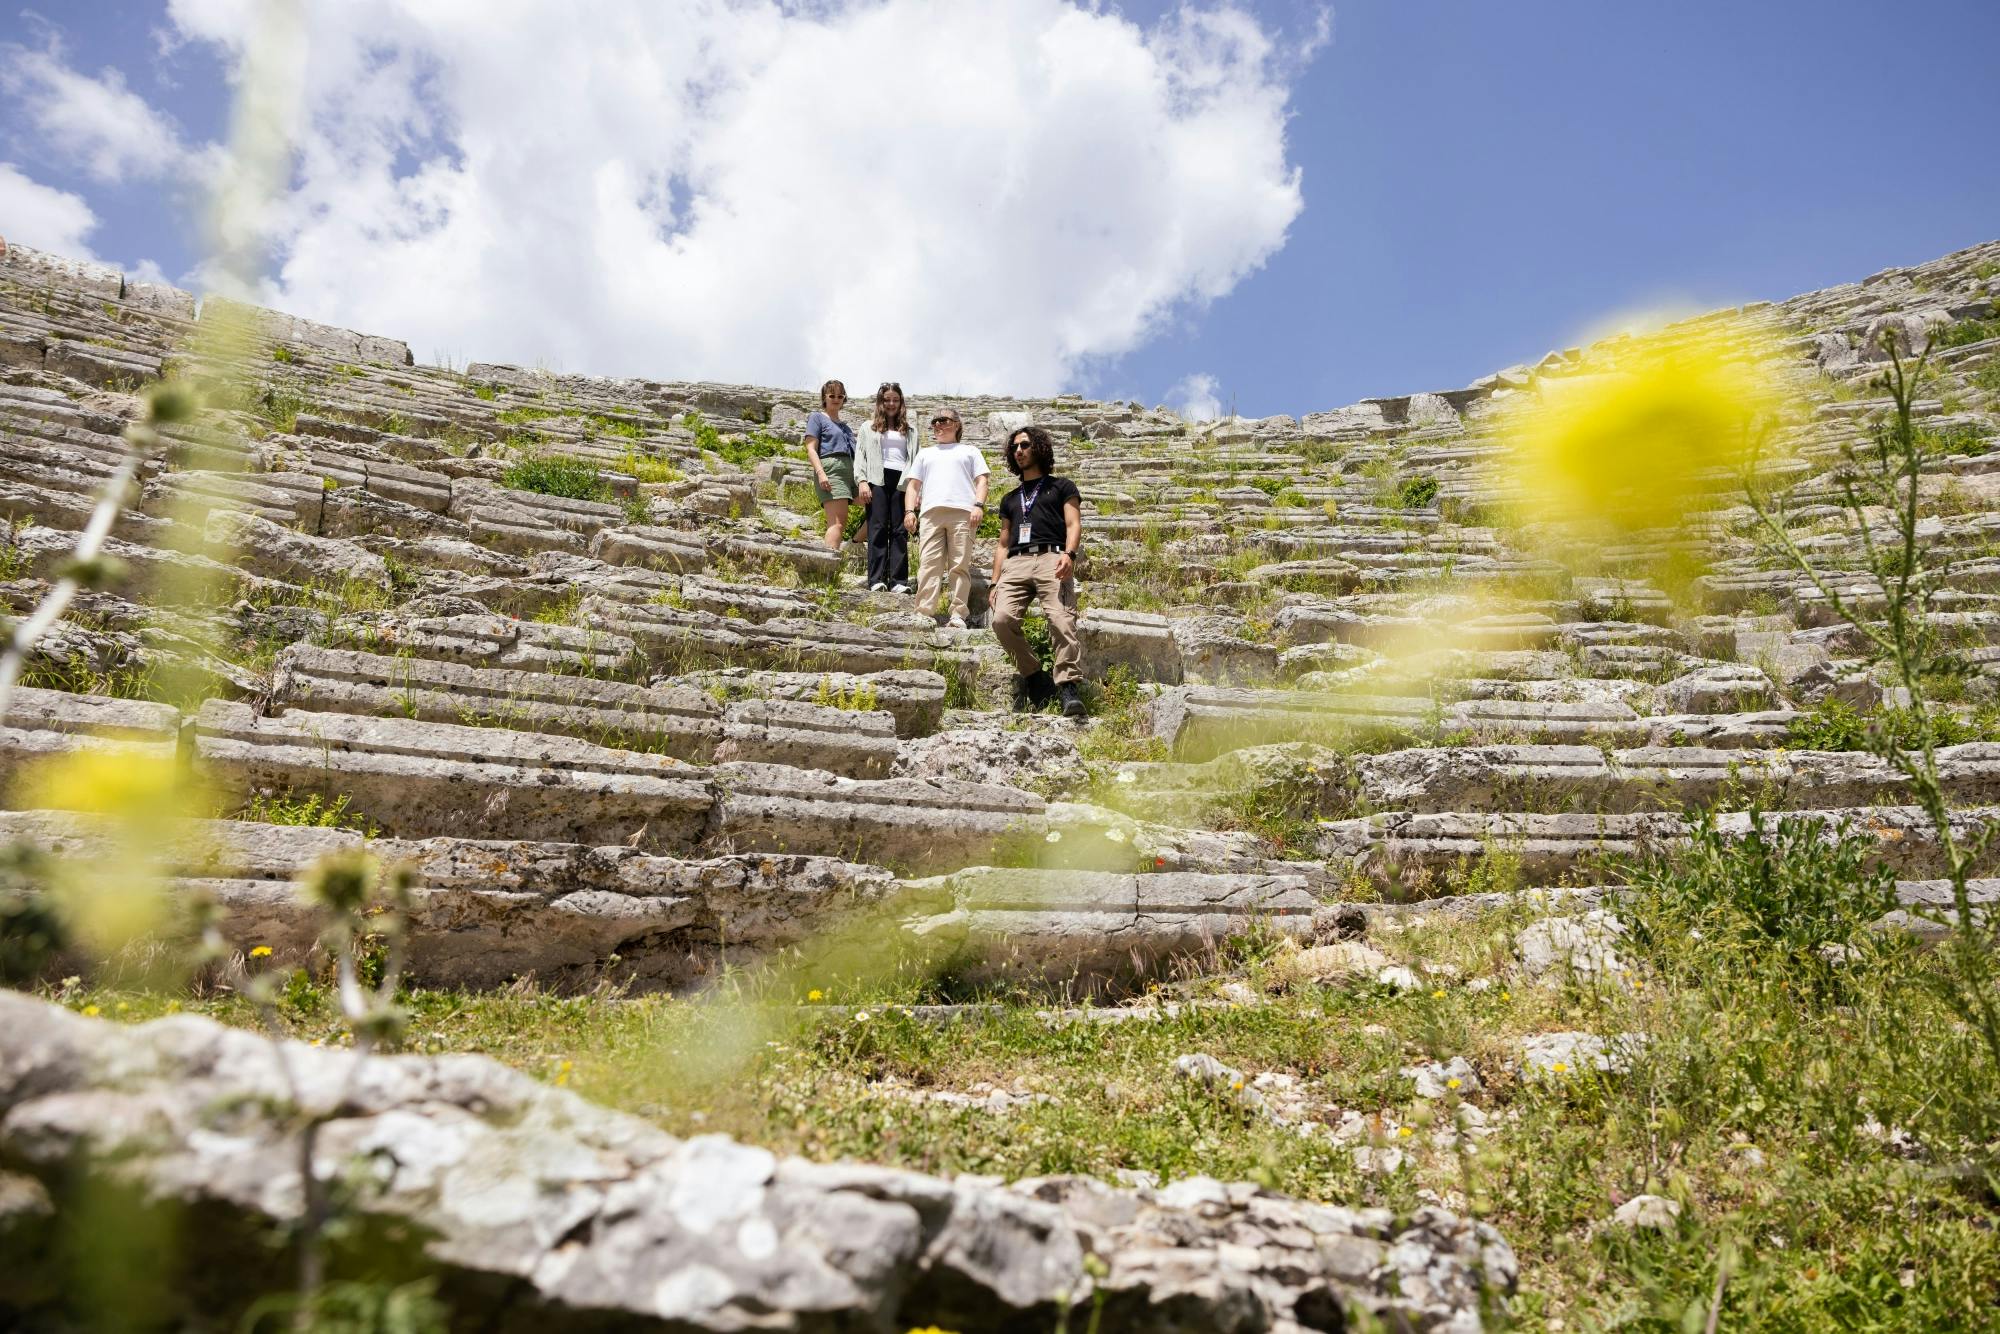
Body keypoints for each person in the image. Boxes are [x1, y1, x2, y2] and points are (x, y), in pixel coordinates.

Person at [990, 424, 1084, 717]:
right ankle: (1034, 676)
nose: (1019, 451)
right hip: (1016, 563)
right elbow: (1003, 544)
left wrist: (1070, 555)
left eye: (1025, 445)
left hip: (1052, 558)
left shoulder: (1062, 486)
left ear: (1039, 448)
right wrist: (994, 583)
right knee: (1001, 621)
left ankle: (1068, 686)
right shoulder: (1009, 498)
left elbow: (1073, 525)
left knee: (1060, 619)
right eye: (1015, 447)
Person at [901, 406, 987, 629]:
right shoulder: (925, 453)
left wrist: (978, 505)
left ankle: (958, 614)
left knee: (959, 565)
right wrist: (910, 511)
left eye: (944, 420)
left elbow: (981, 480)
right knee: (929, 564)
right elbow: (913, 486)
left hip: (963, 512)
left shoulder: (970, 451)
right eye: (935, 421)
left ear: (957, 424)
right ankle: (924, 611)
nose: (938, 424)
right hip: (931, 513)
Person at [854, 381, 913, 593]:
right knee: (877, 528)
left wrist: (916, 489)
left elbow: (915, 459)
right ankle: (876, 579)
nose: (891, 403)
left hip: (902, 481)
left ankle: (898, 582)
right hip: (876, 478)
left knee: (899, 530)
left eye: (895, 400)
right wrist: (861, 481)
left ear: (901, 402)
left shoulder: (910, 430)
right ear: (880, 402)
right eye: (887, 400)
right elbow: (860, 456)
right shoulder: (867, 427)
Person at [801, 379, 856, 552]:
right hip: (832, 471)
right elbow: (811, 449)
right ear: (824, 397)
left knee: (878, 506)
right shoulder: (817, 418)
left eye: (840, 396)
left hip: (852, 473)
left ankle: (854, 545)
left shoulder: (845, 427)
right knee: (838, 523)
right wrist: (821, 473)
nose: (836, 399)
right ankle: (828, 566)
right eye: (832, 395)